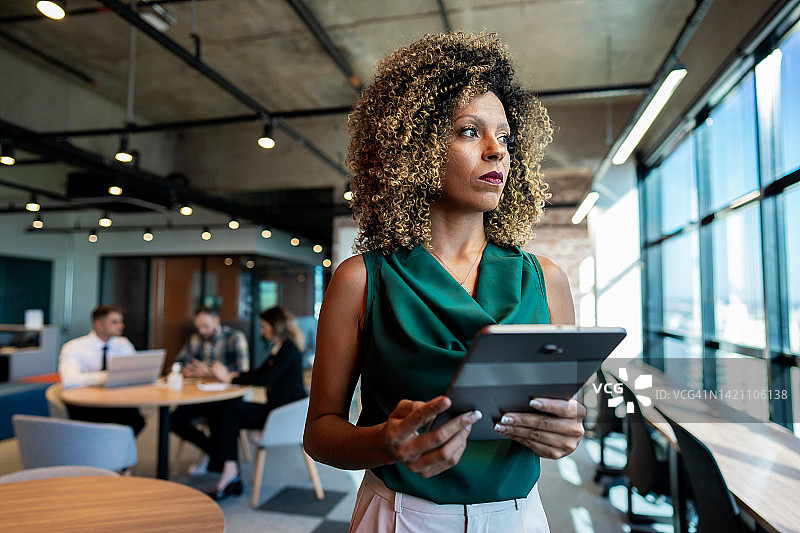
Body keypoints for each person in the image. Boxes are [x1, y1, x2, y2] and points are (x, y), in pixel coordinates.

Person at [303, 33, 586, 532]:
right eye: (470, 131)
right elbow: (320, 433)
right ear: (415, 147)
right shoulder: (362, 280)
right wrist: (384, 441)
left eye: (506, 137)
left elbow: (565, 415)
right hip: (399, 515)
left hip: (518, 519)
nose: (497, 151)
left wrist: (566, 431)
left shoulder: (546, 280)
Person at [202, 307, 307, 500]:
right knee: (223, 410)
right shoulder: (280, 348)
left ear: (276, 327)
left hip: (282, 416)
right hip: (276, 410)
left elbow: (265, 379)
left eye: (264, 326)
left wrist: (230, 378)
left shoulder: (288, 349)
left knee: (229, 410)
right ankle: (226, 466)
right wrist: (232, 375)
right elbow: (259, 373)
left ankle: (229, 470)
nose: (262, 331)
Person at [170, 306, 250, 474]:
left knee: (220, 417)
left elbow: (242, 371)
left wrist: (207, 371)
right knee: (172, 420)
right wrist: (186, 370)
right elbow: (179, 363)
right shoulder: (194, 339)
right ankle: (214, 452)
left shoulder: (235, 337)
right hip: (200, 395)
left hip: (227, 396)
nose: (202, 331)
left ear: (216, 321)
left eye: (205, 326)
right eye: (199, 327)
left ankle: (219, 458)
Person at [58, 304, 146, 436]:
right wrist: (106, 377)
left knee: (137, 420)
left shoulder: (123, 344)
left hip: (116, 401)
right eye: (114, 322)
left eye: (121, 321)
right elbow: (69, 381)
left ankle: (112, 448)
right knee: (112, 424)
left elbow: (134, 373)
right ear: (99, 325)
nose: (121, 326)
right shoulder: (74, 347)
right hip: (85, 404)